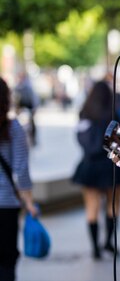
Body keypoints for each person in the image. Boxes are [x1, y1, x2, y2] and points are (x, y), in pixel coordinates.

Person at [72, 80, 120, 259]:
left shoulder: (84, 113)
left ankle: (95, 248)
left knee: (91, 206)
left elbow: (80, 138)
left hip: (89, 165)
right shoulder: (113, 113)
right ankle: (109, 242)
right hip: (110, 164)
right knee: (114, 205)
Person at [0, 77, 38, 281]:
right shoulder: (13, 128)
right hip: (6, 206)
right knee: (6, 263)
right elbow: (21, 170)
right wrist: (29, 203)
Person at [14, 72, 38, 147]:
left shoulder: (28, 88)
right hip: (20, 110)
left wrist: (34, 109)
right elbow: (15, 100)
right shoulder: (17, 88)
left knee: (32, 125)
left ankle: (33, 139)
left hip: (28, 108)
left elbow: (33, 99)